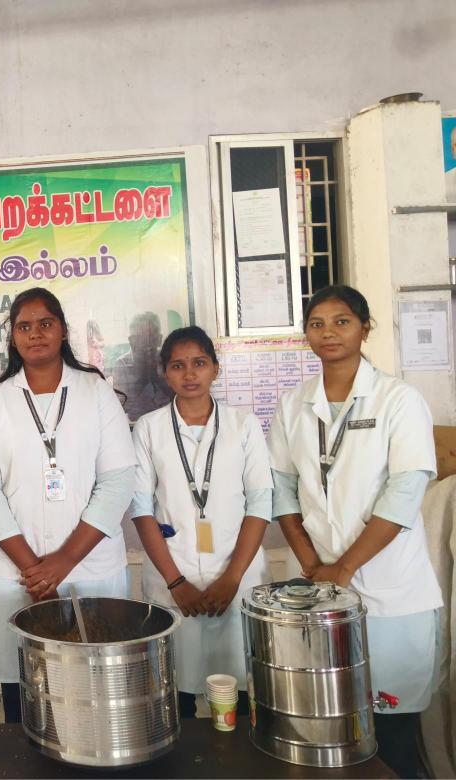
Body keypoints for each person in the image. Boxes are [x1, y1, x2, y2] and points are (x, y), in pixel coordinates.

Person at [269, 285, 442, 778]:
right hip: (323, 591)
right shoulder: (293, 405)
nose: (329, 332)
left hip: (391, 593)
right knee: (331, 729)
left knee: (393, 734)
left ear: (365, 328)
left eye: (342, 321)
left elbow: (404, 493)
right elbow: (282, 490)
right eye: (317, 323)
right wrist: (313, 565)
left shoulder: (398, 400)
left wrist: (344, 567)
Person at [0, 287, 136, 723]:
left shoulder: (95, 392)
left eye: (45, 323)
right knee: (24, 692)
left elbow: (118, 480)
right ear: (13, 337)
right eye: (24, 326)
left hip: (90, 569)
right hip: (14, 575)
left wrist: (63, 562)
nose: (35, 333)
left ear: (62, 331)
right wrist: (36, 571)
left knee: (97, 696)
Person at [130, 326, 272, 717]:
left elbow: (261, 503)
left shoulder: (243, 425)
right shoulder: (149, 428)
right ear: (165, 373)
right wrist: (176, 583)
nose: (189, 374)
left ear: (216, 368)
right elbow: (141, 509)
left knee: (239, 695)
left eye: (199, 363)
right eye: (178, 365)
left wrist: (232, 578)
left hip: (235, 577)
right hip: (172, 581)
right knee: (175, 696)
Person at [112, 311, 172, 421]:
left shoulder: (167, 360)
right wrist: (143, 377)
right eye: (141, 339)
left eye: (152, 337)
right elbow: (121, 407)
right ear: (132, 341)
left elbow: (178, 396)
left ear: (159, 339)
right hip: (137, 422)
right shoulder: (122, 365)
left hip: (168, 419)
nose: (147, 343)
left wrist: (158, 377)